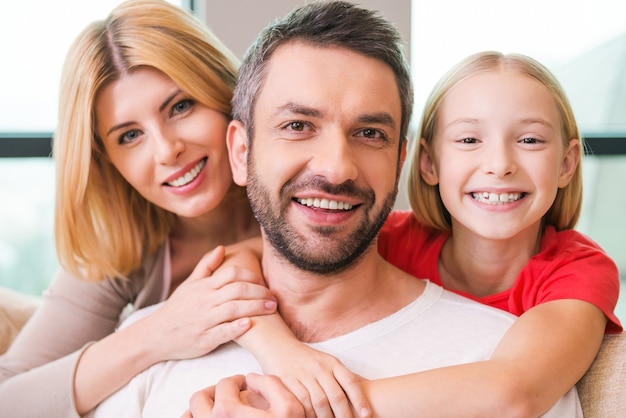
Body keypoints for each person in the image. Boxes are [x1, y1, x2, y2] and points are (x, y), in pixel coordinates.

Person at [93, 2, 582, 417]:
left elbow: (515, 390)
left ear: (401, 160)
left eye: (369, 133)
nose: (336, 168)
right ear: (241, 152)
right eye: (299, 125)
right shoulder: (152, 345)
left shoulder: (495, 353)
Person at [182, 52, 623, 418]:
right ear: (427, 163)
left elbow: (516, 392)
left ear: (566, 164)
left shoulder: (580, 271)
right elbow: (243, 258)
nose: (500, 164)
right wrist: (282, 352)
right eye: (469, 140)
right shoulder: (397, 237)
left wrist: (311, 403)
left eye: (529, 140)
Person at [0, 1, 280, 416]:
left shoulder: (301, 203)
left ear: (226, 95)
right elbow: (8, 398)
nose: (167, 150)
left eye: (181, 107)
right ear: (106, 159)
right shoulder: (121, 245)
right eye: (130, 135)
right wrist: (159, 331)